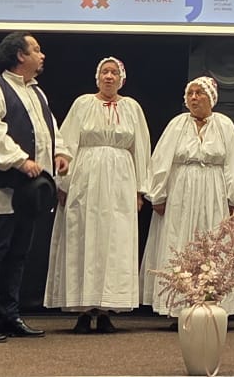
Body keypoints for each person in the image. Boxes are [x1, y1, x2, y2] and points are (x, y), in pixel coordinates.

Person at [0, 32, 66, 343]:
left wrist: (60, 152)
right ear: (20, 55)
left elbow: (49, 129)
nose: (42, 55)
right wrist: (21, 161)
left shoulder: (37, 93)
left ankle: (8, 316)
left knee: (18, 253)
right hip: (2, 185)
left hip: (28, 191)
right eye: (36, 50)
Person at [43, 57, 152, 334]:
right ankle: (83, 309)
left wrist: (140, 190)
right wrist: (62, 184)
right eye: (105, 72)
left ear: (122, 79)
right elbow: (66, 143)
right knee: (83, 237)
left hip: (120, 181)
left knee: (113, 240)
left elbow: (141, 149)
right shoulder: (83, 104)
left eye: (114, 72)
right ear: (97, 77)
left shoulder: (132, 108)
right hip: (86, 179)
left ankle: (105, 309)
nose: (109, 76)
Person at [142, 75, 234, 320]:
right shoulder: (177, 124)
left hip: (213, 191)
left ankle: (213, 305)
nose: (193, 98)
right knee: (180, 242)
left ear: (211, 98)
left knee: (213, 243)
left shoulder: (224, 125)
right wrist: (158, 194)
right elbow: (161, 161)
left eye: (199, 93)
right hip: (182, 191)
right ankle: (178, 307)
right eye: (190, 94)